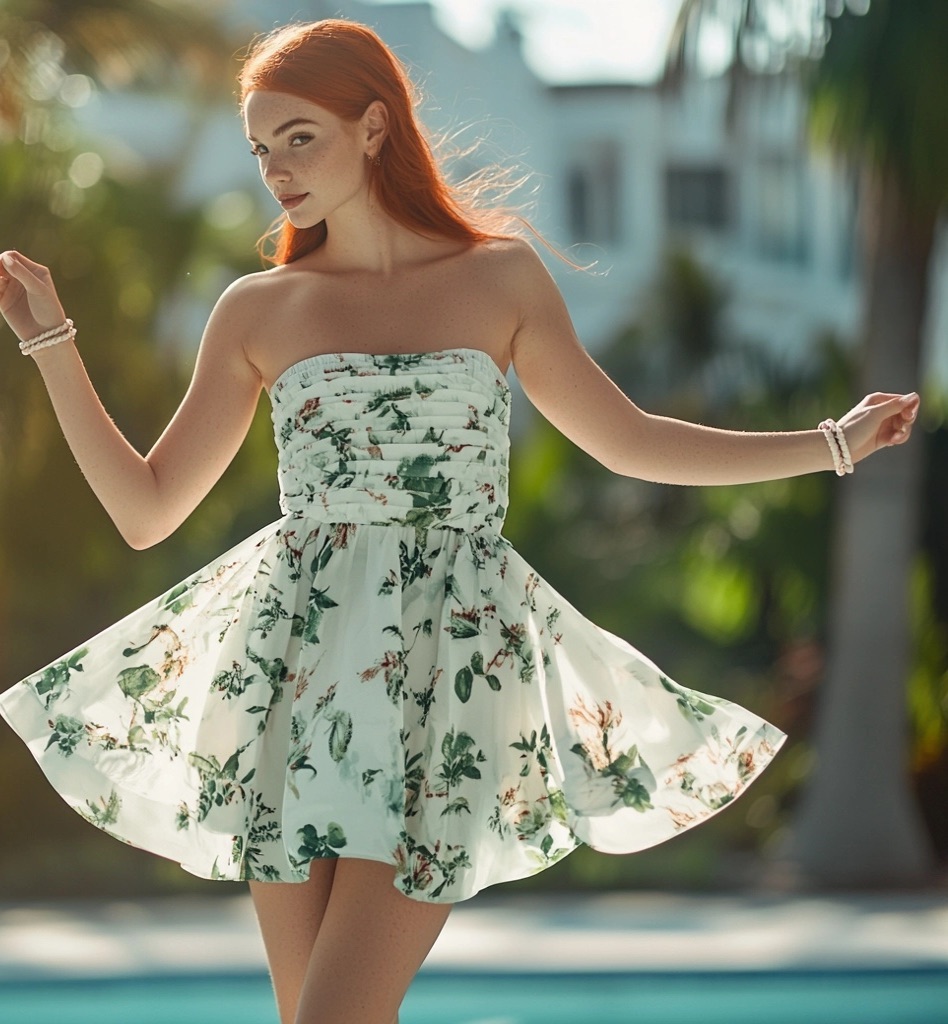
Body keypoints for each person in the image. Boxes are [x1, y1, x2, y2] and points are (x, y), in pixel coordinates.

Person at [0, 18, 919, 1024]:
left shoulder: (500, 279)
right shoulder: (257, 310)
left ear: (374, 126)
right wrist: (51, 341)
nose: (276, 171)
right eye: (262, 148)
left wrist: (829, 443)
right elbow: (145, 510)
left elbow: (631, 439)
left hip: (443, 677)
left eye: (299, 137)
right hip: (291, 680)